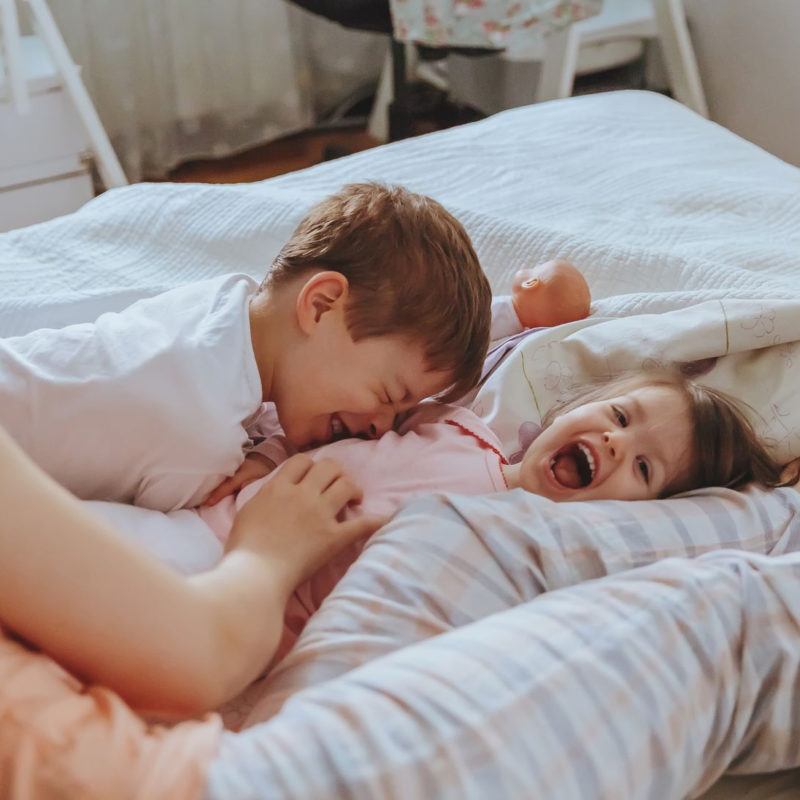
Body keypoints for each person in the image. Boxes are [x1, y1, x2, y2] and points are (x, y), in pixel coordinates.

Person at [179, 368, 793, 656]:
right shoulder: (459, 426)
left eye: (643, 468)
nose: (615, 442)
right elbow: (332, 427)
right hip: (203, 516)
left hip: (255, 611)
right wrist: (267, 458)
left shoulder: (517, 551)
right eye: (620, 416)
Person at [0, 182, 491, 512]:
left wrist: (271, 451)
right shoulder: (196, 440)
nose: (382, 429)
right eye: (388, 395)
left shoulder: (221, 305)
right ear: (320, 305)